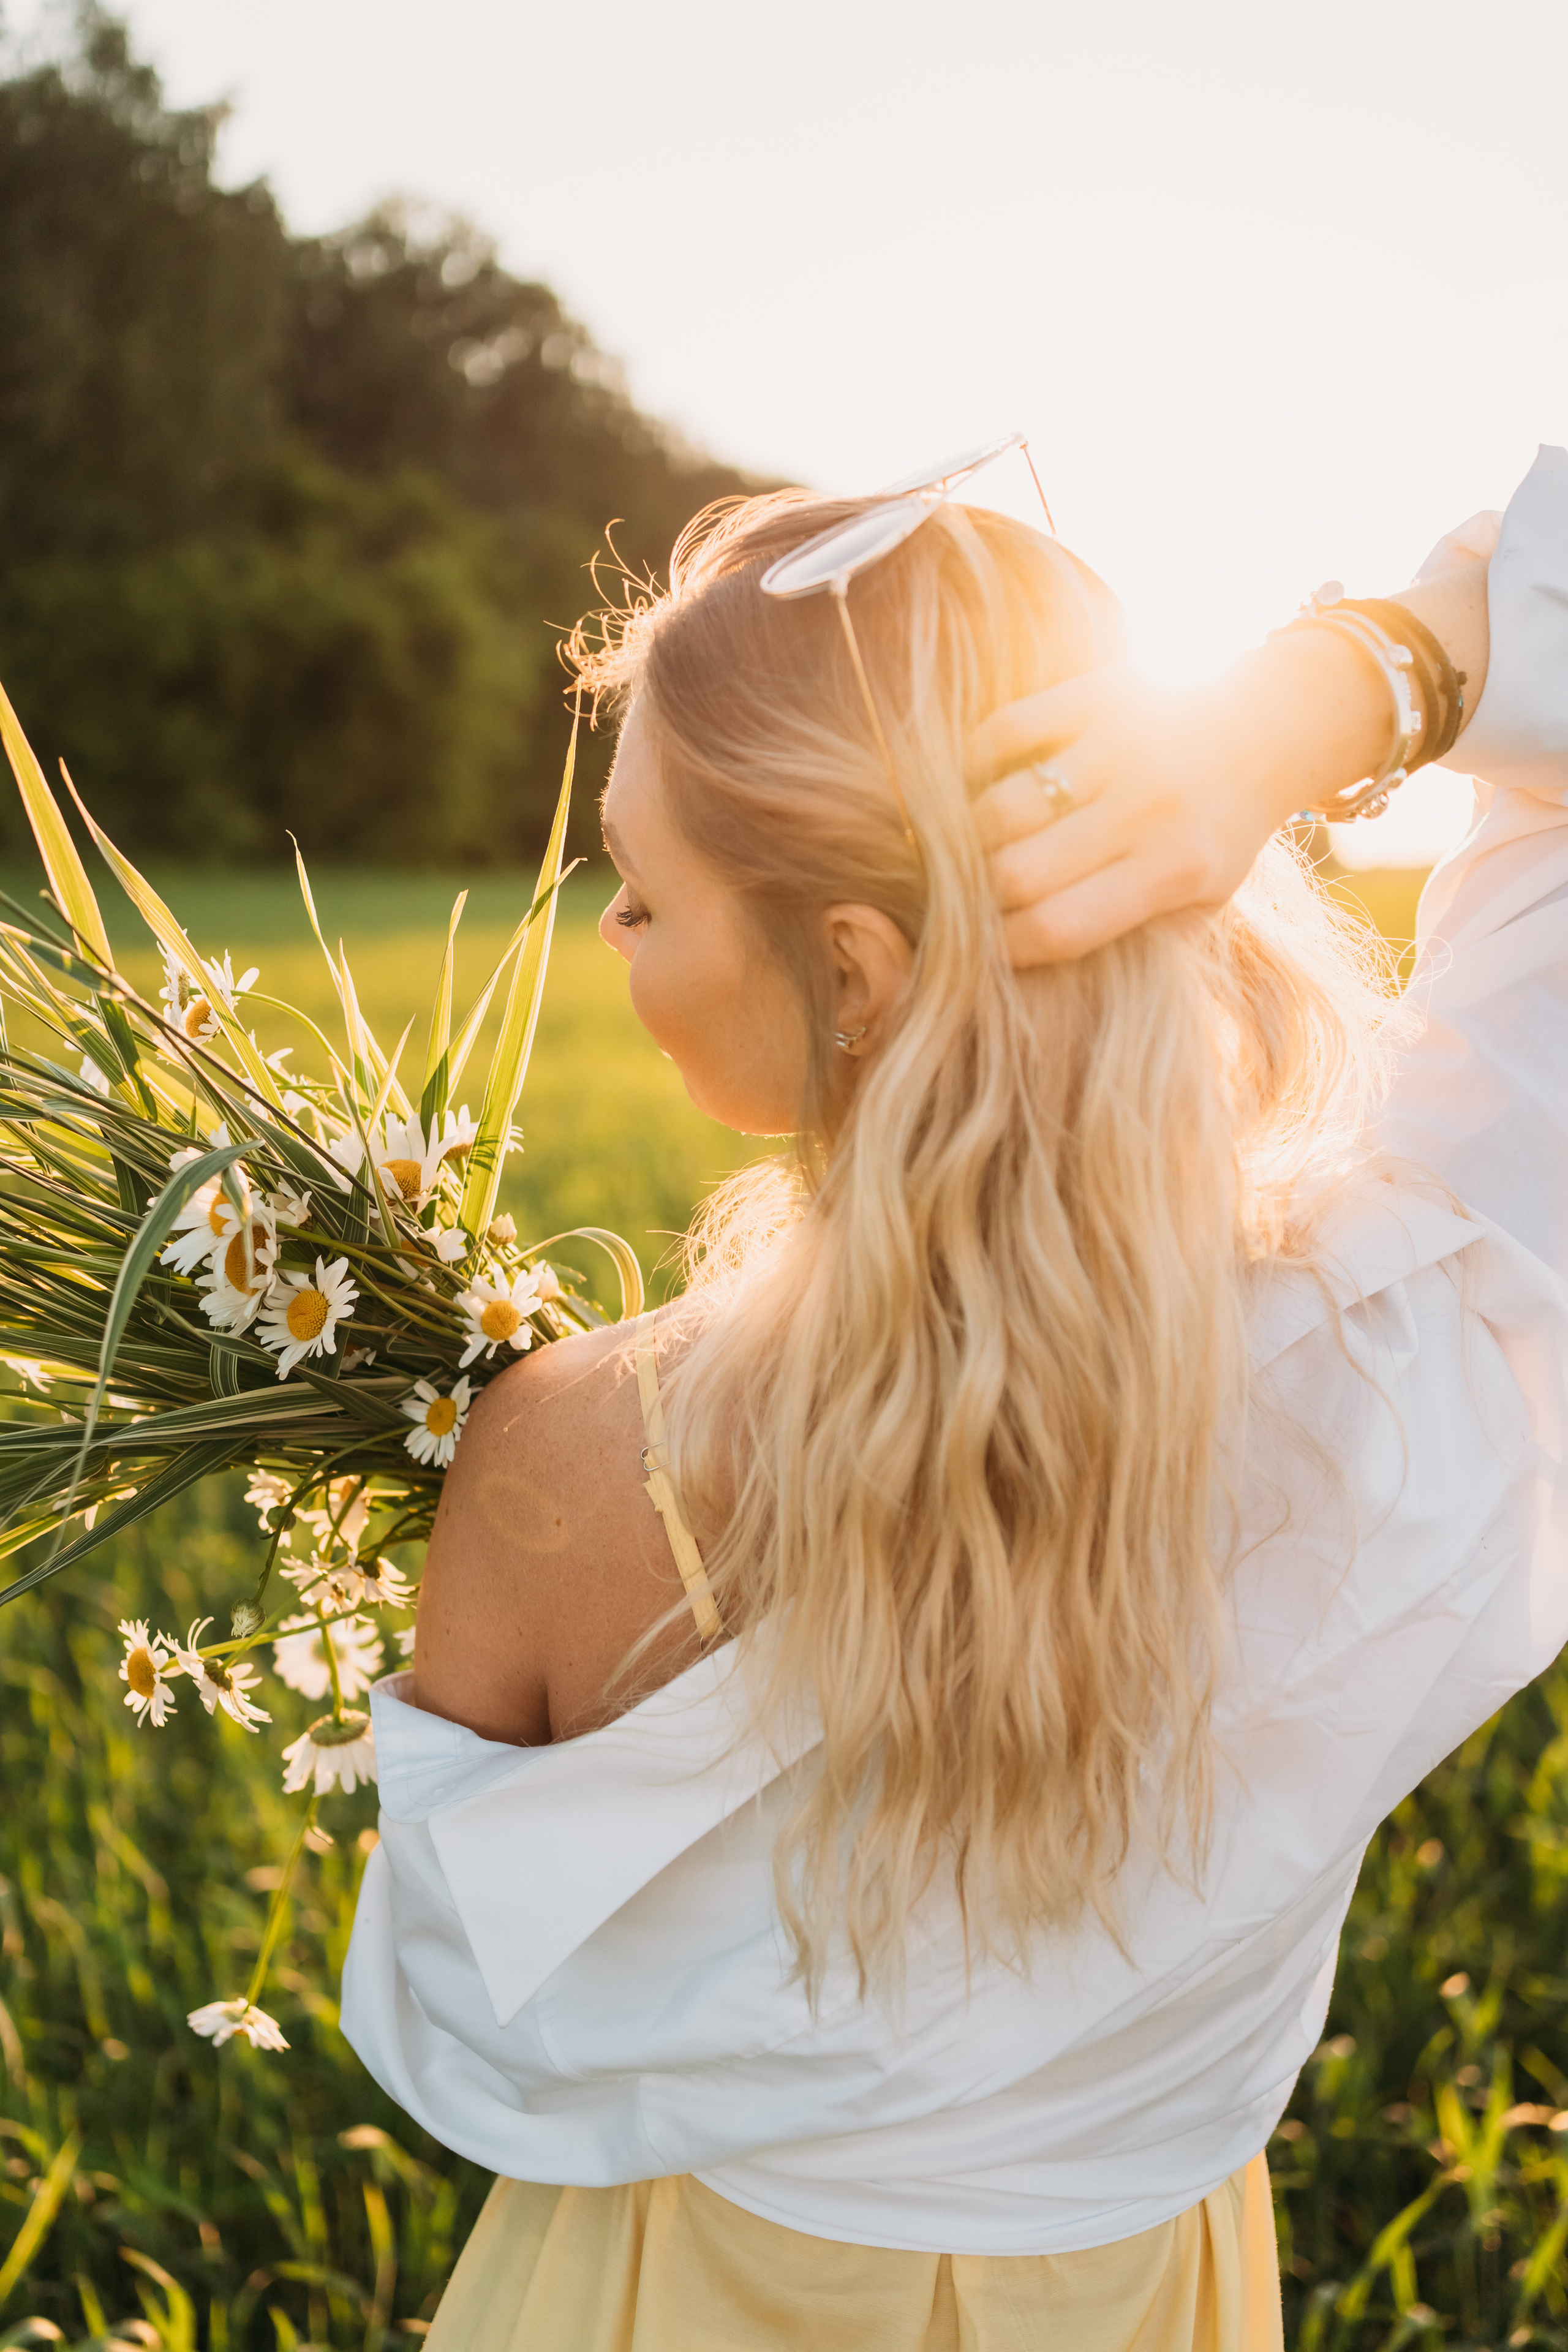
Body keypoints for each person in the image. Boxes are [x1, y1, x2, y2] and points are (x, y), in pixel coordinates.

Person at [341, 445, 1568, 2351]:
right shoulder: (1421, 1355)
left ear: (854, 971)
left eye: (640, 894)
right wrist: (1329, 695)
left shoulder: (574, 1458)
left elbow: (462, 2011)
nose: (610, 935)